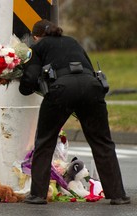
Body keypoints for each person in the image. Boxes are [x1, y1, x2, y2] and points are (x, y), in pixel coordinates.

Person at [19, 19, 130, 205]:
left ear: (36, 36)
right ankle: (117, 194)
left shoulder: (39, 46)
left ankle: (38, 194)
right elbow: (88, 68)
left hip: (62, 90)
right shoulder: (72, 41)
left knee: (45, 141)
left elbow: (30, 78)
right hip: (92, 88)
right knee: (102, 141)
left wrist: (24, 87)